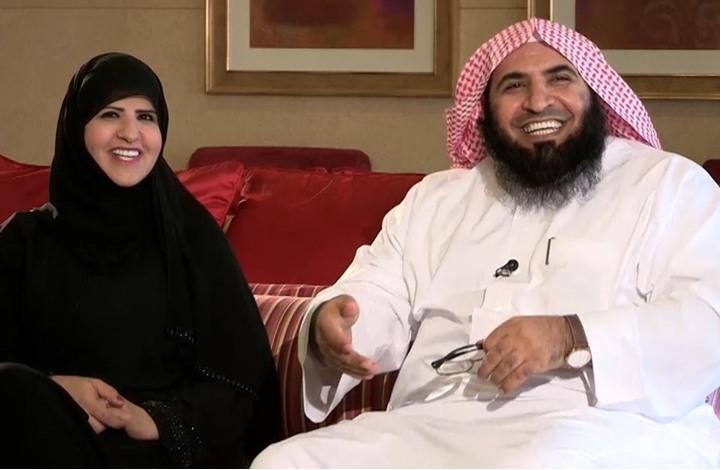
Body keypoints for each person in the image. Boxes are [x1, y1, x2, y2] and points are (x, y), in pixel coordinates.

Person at [251, 18, 720, 468]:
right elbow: (378, 290)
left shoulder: (668, 186)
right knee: (284, 462)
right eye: (513, 86)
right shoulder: (441, 198)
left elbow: (708, 316)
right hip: (435, 422)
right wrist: (333, 326)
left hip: (604, 424)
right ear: (486, 111)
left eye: (559, 79)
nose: (538, 102)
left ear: (594, 93)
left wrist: (570, 335)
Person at [0, 53, 280, 467]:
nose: (130, 133)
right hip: (46, 442)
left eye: (146, 117)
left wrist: (149, 419)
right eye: (110, 114)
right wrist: (58, 391)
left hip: (159, 450)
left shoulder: (191, 240)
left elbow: (241, 387)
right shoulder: (24, 242)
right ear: (77, 127)